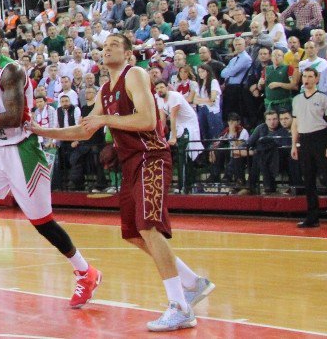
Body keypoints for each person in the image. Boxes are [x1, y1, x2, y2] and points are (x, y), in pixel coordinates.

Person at [30, 34, 213, 332]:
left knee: (148, 227)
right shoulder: (104, 91)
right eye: (104, 46)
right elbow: (84, 129)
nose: (107, 48)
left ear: (128, 54)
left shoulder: (136, 74)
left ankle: (181, 308)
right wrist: (41, 131)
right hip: (130, 164)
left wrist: (106, 121)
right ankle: (192, 282)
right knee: (132, 233)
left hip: (151, 157)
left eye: (114, 44)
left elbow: (145, 120)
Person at [0, 25, 100, 321]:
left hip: (22, 150)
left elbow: (15, 116)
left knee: (42, 222)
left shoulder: (12, 70)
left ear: (1, 41)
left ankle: (86, 272)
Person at [290, 68, 327, 230]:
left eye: (310, 76)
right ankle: (312, 216)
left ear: (316, 79)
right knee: (308, 180)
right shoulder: (297, 99)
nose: (306, 79)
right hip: (305, 140)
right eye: (304, 76)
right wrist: (294, 144)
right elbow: (295, 124)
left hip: (320, 138)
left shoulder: (323, 98)